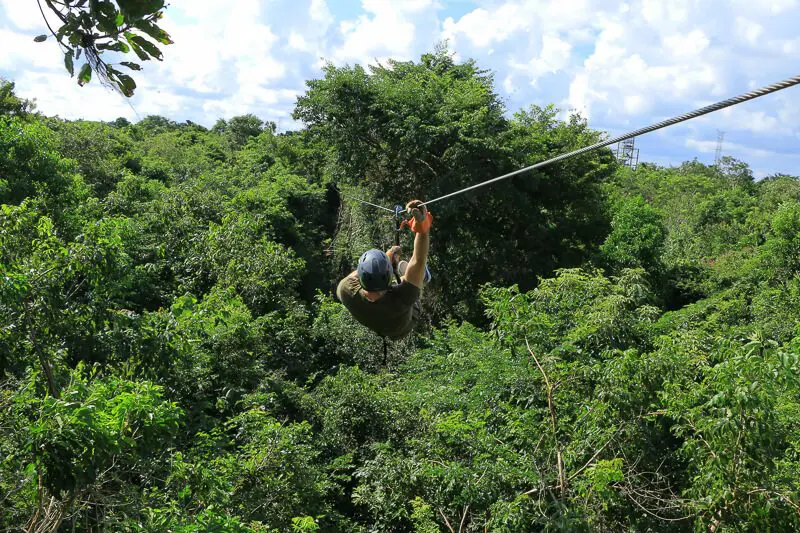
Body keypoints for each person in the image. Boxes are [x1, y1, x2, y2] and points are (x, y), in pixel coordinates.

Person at [336, 199, 432, 340]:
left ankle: (406, 273)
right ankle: (418, 276)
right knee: (413, 278)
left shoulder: (345, 291)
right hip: (408, 321)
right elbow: (419, 260)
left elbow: (359, 273)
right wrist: (422, 225)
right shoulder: (403, 298)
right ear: (389, 279)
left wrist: (387, 258)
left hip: (385, 328)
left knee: (411, 277)